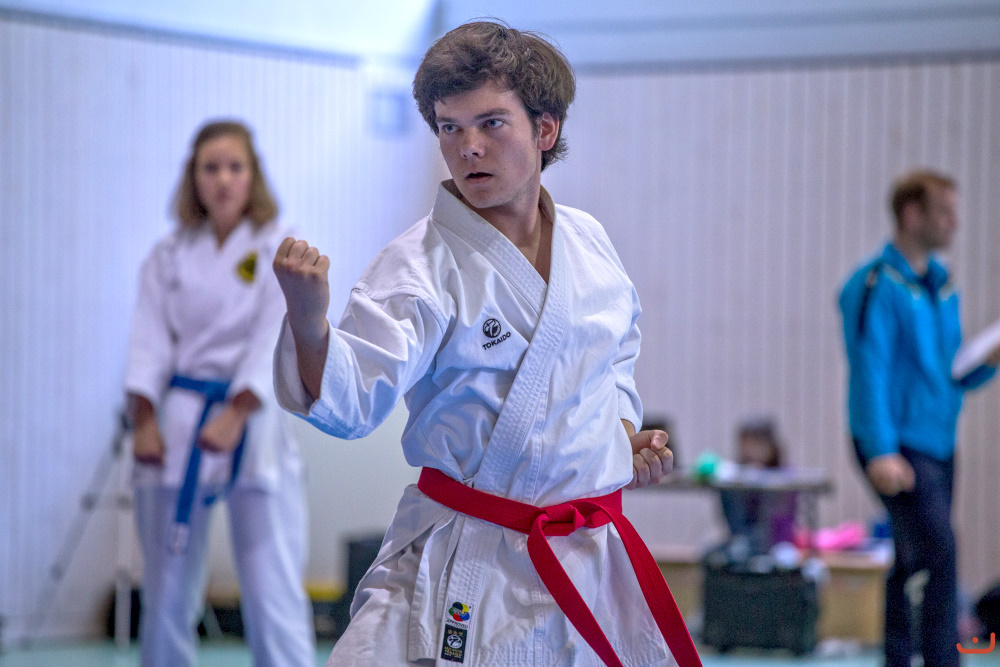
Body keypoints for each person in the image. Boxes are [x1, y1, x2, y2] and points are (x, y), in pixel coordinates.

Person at [271, 21, 700, 667]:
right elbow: (353, 402)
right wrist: (309, 324)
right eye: (449, 127)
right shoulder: (418, 266)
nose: (467, 146)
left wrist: (613, 438)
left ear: (545, 130)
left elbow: (614, 357)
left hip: (581, 560)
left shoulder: (589, 243)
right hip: (461, 555)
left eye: (491, 123)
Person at [125, 120, 315, 667]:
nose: (223, 180)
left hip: (253, 419)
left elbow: (274, 331)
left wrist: (237, 410)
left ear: (253, 175)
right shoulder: (169, 254)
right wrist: (143, 419)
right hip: (180, 420)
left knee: (272, 585)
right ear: (194, 177)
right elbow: (147, 339)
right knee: (166, 587)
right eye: (211, 168)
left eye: (235, 167)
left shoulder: (280, 245)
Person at [839, 169, 1000, 667]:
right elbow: (870, 371)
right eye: (944, 213)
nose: (954, 223)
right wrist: (881, 450)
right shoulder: (877, 284)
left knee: (913, 556)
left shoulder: (942, 285)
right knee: (940, 553)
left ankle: (899, 656)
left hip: (938, 440)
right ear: (912, 214)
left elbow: (948, 370)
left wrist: (986, 363)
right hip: (897, 442)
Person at [717, 418, 797, 558]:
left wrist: (760, 477)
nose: (748, 450)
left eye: (755, 444)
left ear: (770, 445)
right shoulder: (738, 473)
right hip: (744, 540)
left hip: (777, 542)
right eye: (745, 445)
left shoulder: (785, 474)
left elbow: (778, 517)